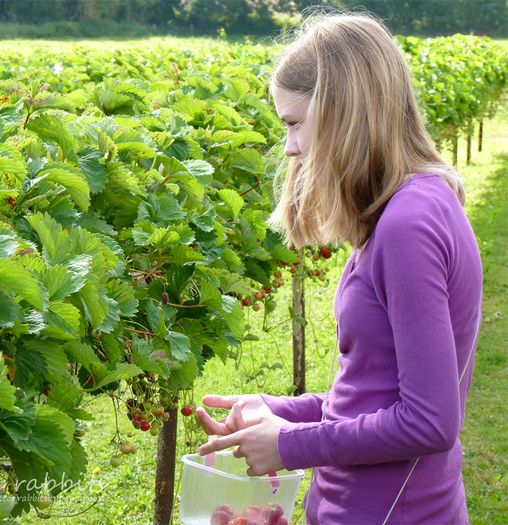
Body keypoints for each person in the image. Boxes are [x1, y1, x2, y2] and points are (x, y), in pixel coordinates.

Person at [196, 12, 483, 525]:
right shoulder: (411, 207)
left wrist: (290, 446)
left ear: (343, 113)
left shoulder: (406, 225)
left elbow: (430, 422)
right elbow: (378, 392)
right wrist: (284, 410)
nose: (290, 147)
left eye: (294, 123)